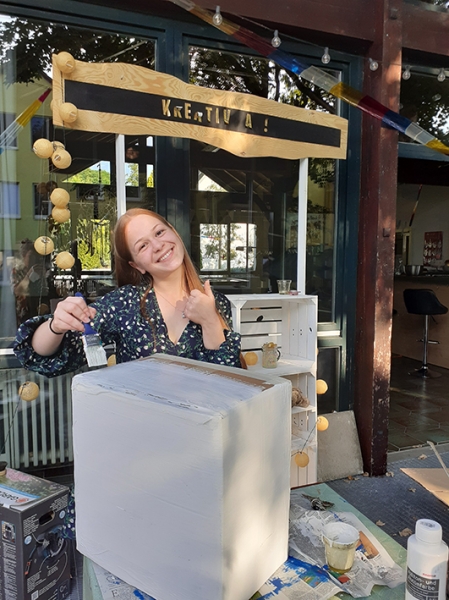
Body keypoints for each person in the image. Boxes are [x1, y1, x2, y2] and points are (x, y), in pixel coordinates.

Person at [13, 209, 242, 377]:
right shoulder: (125, 303)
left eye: (160, 232)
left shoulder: (215, 301)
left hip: (201, 436)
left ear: (174, 233)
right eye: (142, 245)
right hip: (141, 435)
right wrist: (56, 326)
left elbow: (231, 384)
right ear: (136, 265)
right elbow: (42, 355)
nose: (158, 245)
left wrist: (210, 320)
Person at [11, 239, 49, 326]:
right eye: (31, 256)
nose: (34, 260)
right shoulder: (17, 272)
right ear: (24, 256)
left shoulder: (40, 271)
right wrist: (29, 275)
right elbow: (17, 291)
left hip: (38, 313)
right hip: (22, 314)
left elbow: (45, 291)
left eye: (37, 257)